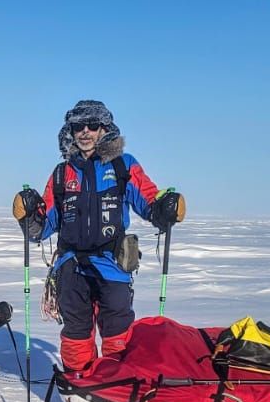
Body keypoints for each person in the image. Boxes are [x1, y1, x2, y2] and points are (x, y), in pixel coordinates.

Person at [13, 100, 186, 371]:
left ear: (104, 129)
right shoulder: (61, 174)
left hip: (113, 265)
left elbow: (149, 202)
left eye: (92, 125)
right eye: (78, 126)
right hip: (71, 266)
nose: (85, 131)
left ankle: (117, 389)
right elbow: (44, 226)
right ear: (70, 130)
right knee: (76, 334)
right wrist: (29, 217)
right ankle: (79, 389)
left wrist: (166, 209)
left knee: (119, 334)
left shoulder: (123, 166)